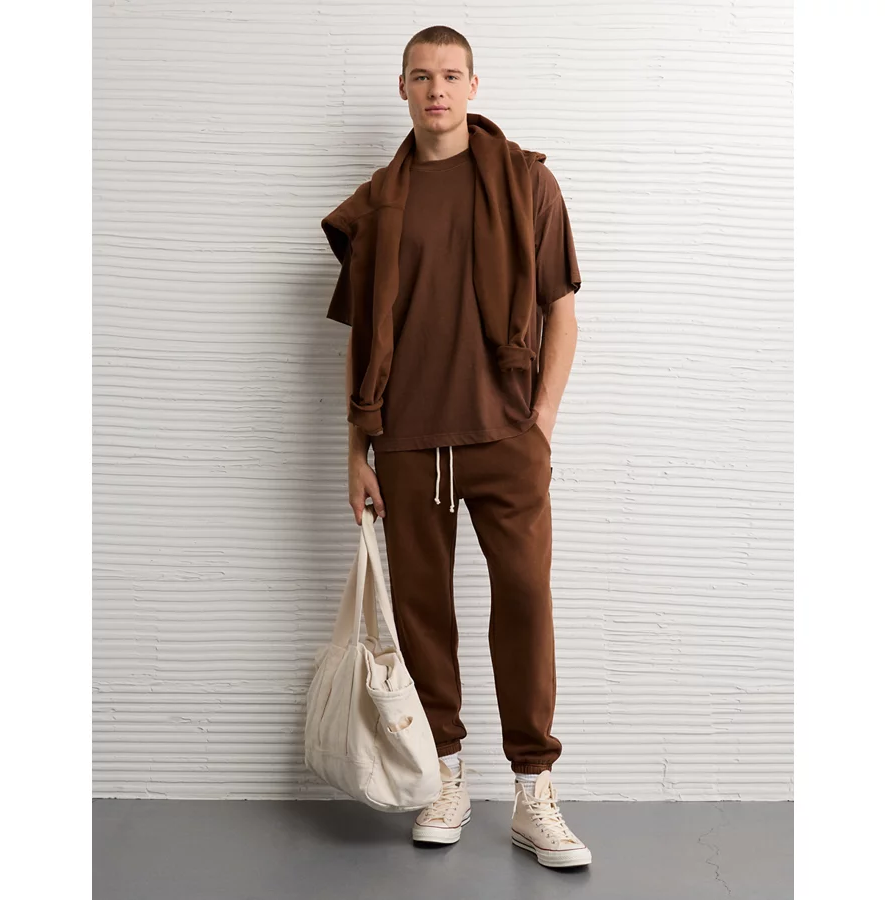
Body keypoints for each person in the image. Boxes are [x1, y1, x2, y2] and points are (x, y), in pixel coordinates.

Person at [321, 26, 590, 869]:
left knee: (526, 607)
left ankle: (534, 793)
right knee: (422, 616)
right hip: (407, 443)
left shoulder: (526, 182)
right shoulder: (379, 201)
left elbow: (561, 311)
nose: (435, 89)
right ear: (402, 88)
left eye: (449, 75)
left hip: (505, 437)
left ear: (474, 85)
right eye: (420, 76)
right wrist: (356, 451)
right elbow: (362, 337)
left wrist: (540, 425)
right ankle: (445, 776)